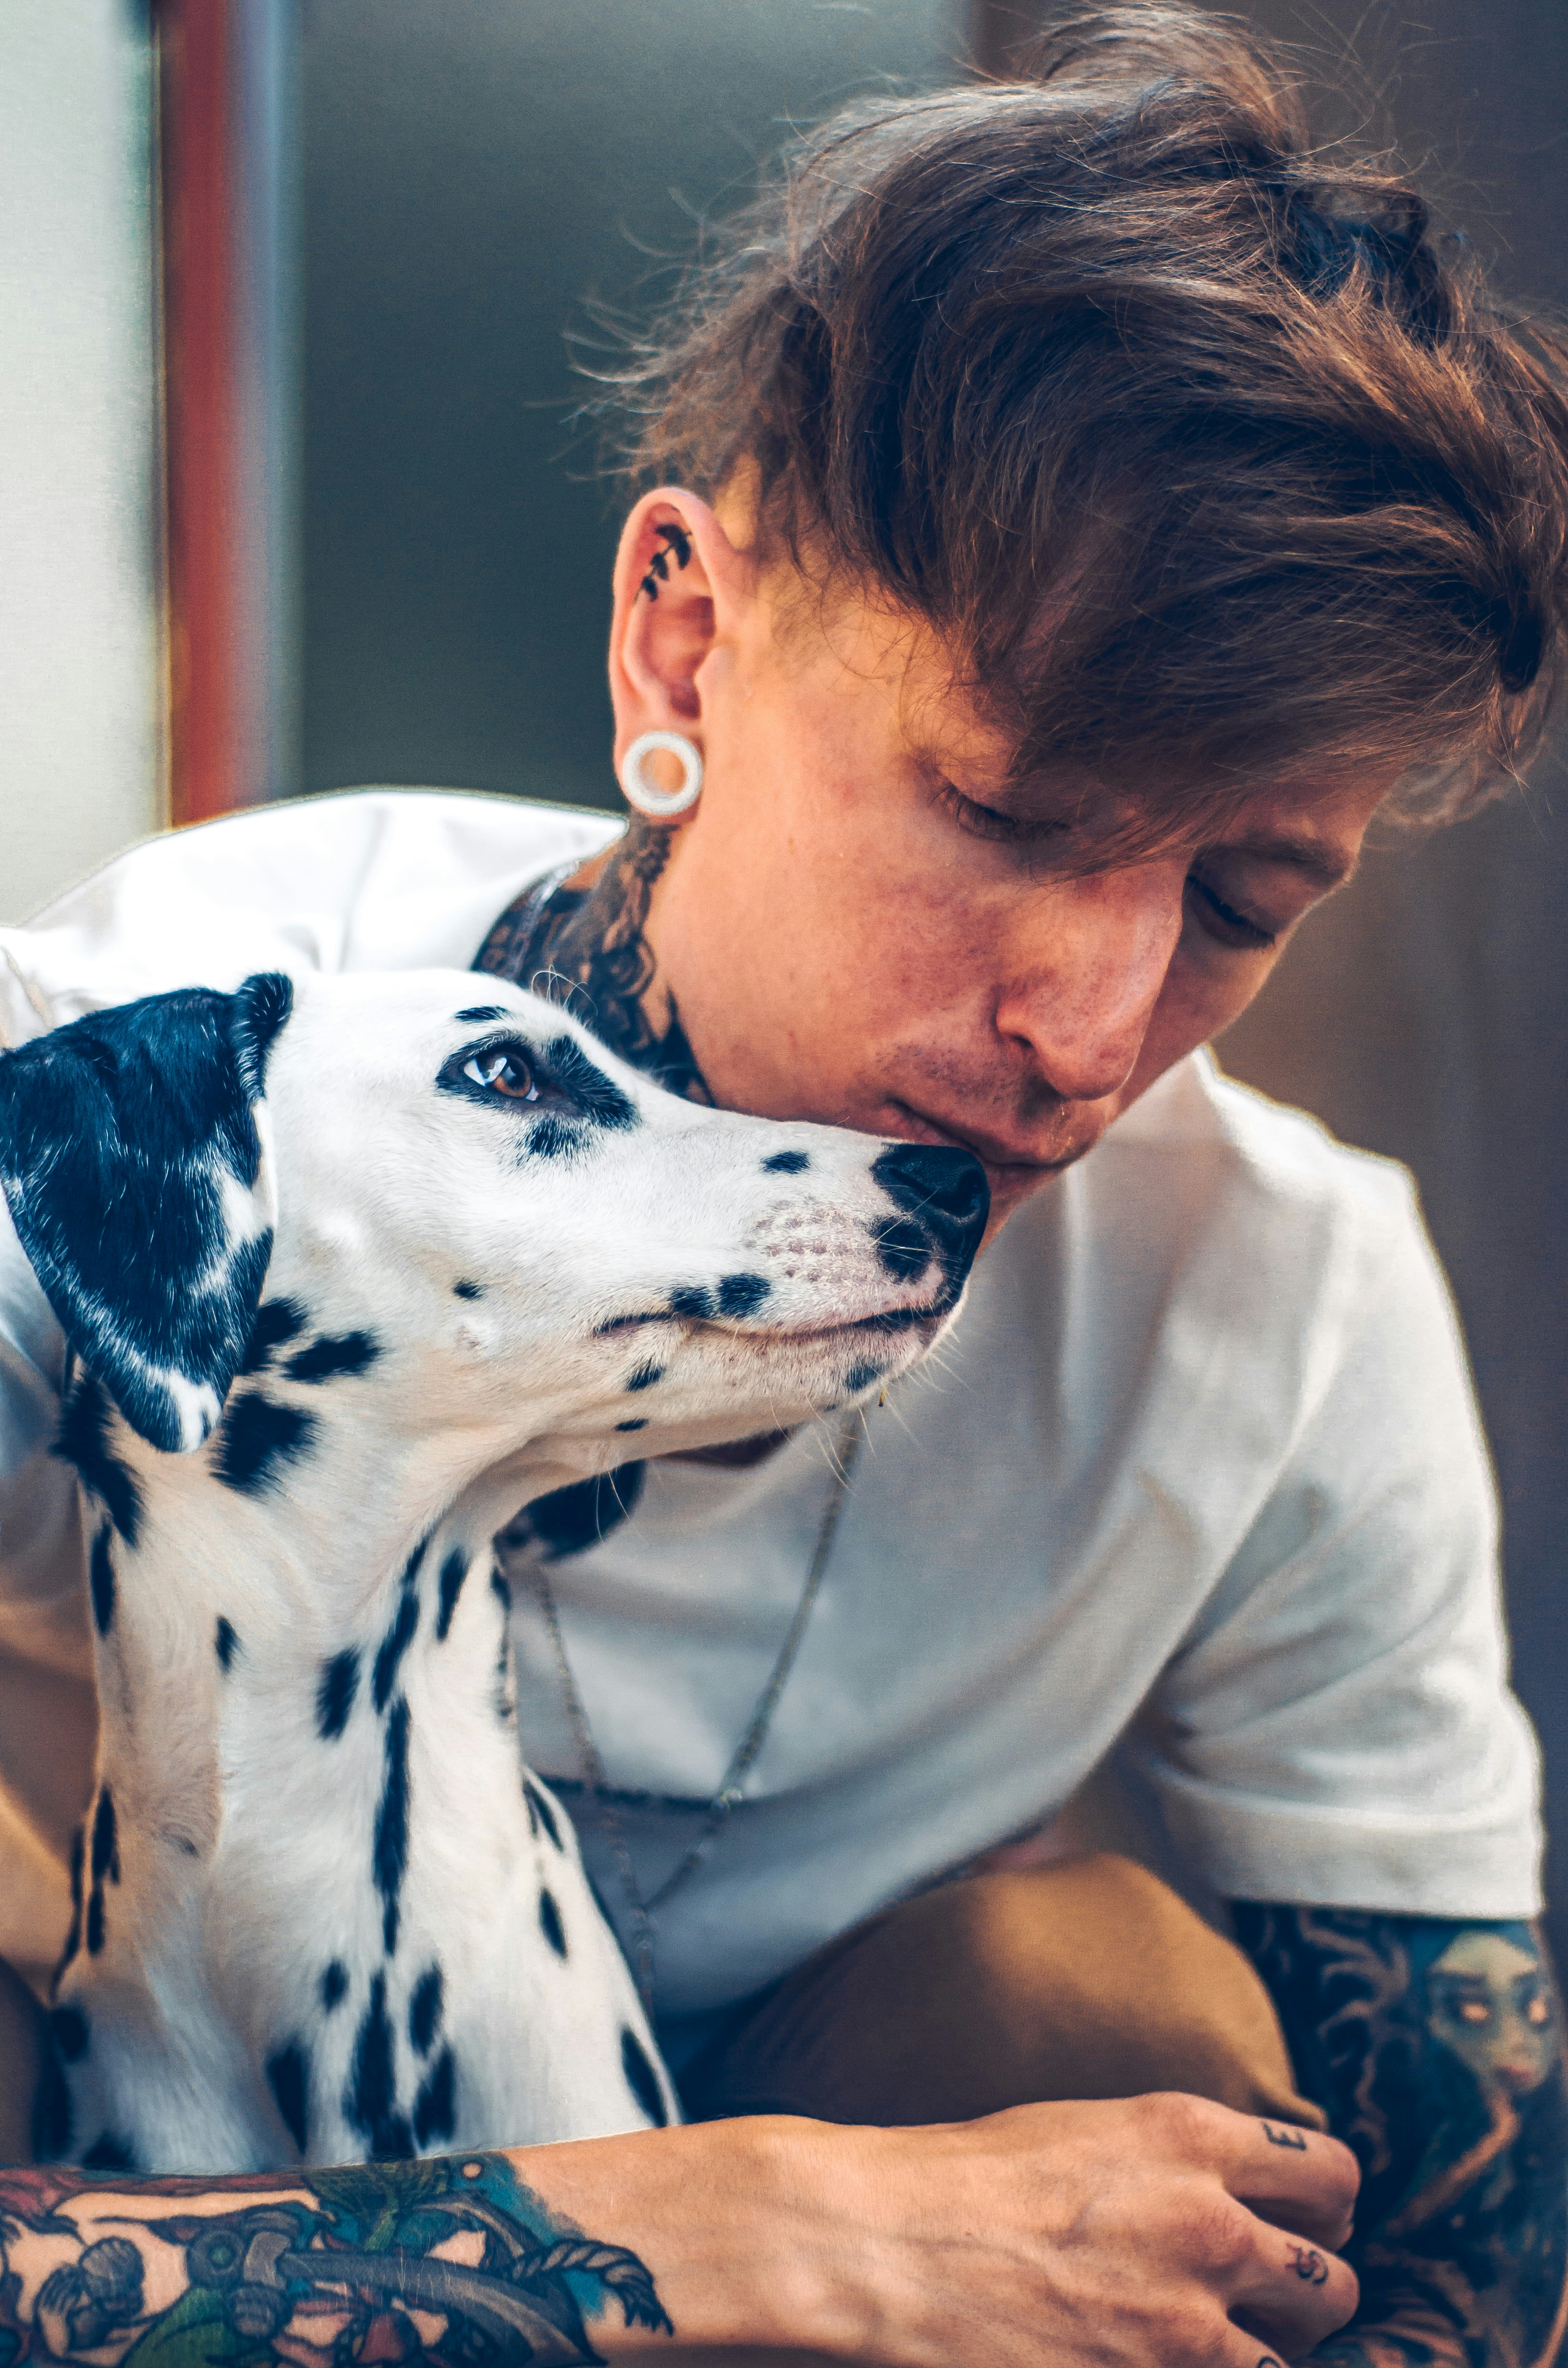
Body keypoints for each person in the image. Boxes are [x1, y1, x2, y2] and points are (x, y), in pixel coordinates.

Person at [2, 7, 1567, 2365]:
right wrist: (728, 2236)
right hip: (140, 2108)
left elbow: (1470, 2278)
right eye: (1010, 814)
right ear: (687, 631)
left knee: (1090, 2004)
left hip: (905, 2158)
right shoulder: (146, 1096)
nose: (1092, 1028)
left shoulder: (1285, 1308)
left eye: (1243, 900)